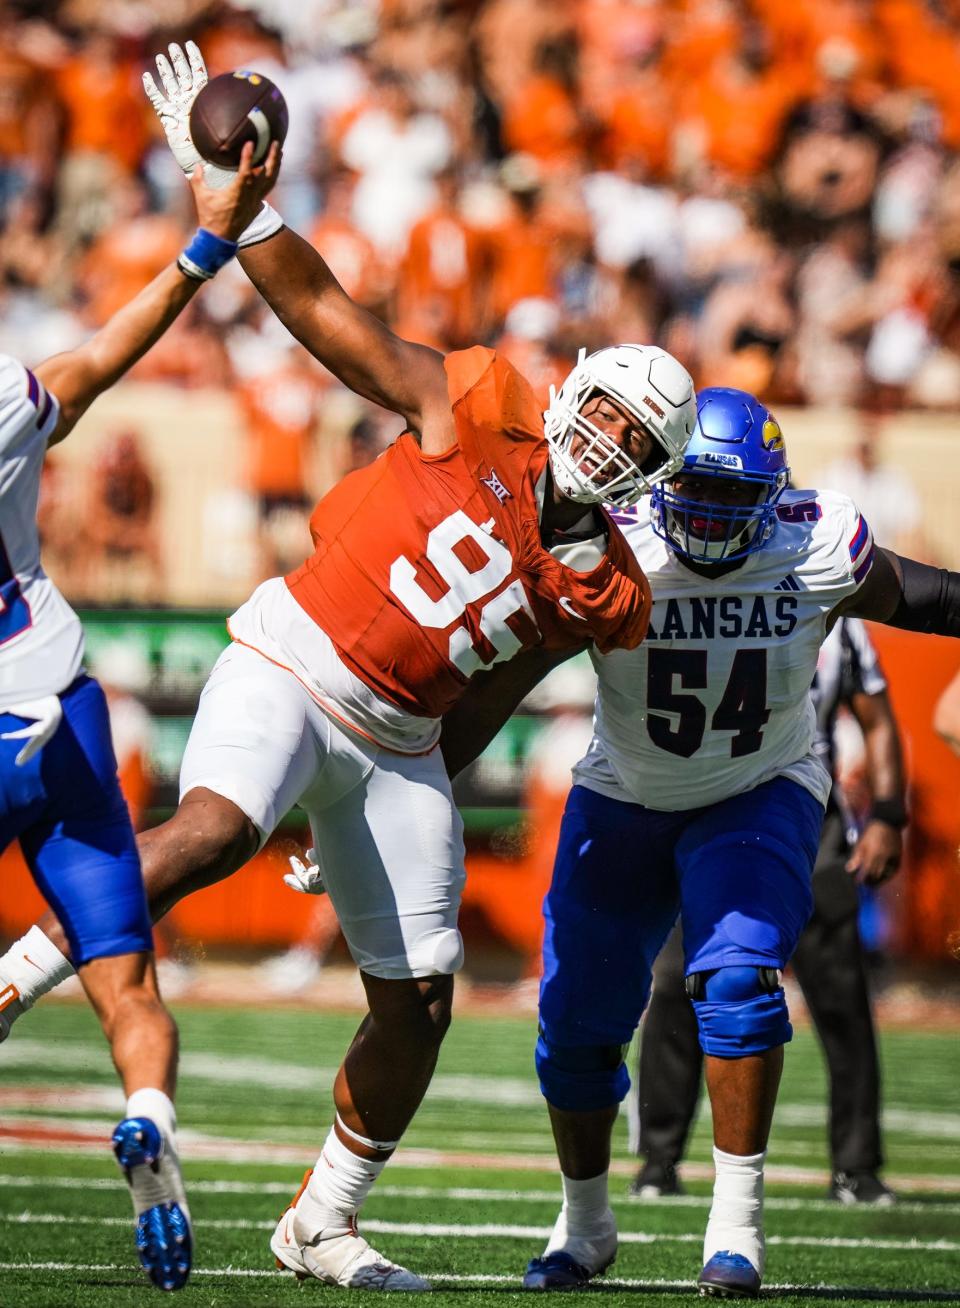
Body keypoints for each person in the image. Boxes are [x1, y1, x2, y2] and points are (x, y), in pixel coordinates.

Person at [0, 41, 697, 1294]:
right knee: (211, 832)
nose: (603, 437)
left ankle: (320, 1217)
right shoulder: (480, 402)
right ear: (574, 392)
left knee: (421, 998)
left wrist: (404, 788)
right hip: (298, 647)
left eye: (632, 437)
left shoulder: (604, 582)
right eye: (600, 411)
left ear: (650, 465)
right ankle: (9, 981)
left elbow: (491, 689)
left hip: (400, 738)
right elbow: (332, 320)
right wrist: (245, 217)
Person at [439, 385, 960, 1297]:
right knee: (574, 1029)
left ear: (773, 494)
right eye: (700, 495)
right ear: (662, 484)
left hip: (760, 789)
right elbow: (503, 675)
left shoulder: (815, 541)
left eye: (734, 500)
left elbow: (929, 597)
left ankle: (737, 1226)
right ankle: (587, 1224)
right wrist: (423, 779)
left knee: (736, 981)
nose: (714, 518)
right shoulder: (613, 538)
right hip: (626, 792)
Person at [0, 141, 279, 1290]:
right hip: (55, 710)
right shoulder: (9, 402)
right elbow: (110, 351)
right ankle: (151, 1114)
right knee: (131, 985)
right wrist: (210, 238)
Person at [631, 614, 906, 1207]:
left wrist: (887, 814)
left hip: (805, 817)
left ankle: (856, 1167)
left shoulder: (838, 615)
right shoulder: (709, 592)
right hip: (708, 809)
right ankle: (658, 1159)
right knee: (678, 984)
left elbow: (877, 718)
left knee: (840, 996)